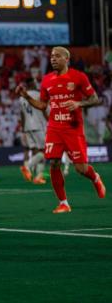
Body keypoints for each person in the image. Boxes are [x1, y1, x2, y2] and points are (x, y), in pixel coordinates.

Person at [16, 46, 106, 213]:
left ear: (67, 59)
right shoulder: (47, 80)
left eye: (57, 56)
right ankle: (63, 202)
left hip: (73, 129)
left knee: (81, 169)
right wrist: (27, 96)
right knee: (54, 162)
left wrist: (79, 103)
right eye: (51, 56)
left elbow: (94, 99)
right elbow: (42, 105)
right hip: (54, 128)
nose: (53, 59)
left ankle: (95, 177)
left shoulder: (78, 77)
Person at [19, 78, 48, 184]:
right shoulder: (38, 95)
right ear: (33, 84)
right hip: (38, 126)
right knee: (45, 151)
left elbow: (22, 115)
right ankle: (28, 167)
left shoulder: (21, 97)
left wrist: (23, 129)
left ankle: (38, 176)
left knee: (36, 151)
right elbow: (44, 109)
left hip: (27, 127)